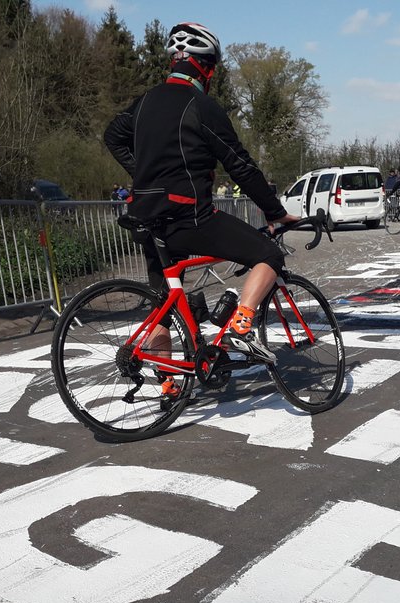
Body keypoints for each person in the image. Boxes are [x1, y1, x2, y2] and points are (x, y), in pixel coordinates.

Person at [104, 21, 298, 385]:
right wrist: (274, 211)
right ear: (206, 68)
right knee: (269, 255)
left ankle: (168, 385)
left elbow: (112, 136)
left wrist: (142, 172)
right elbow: (239, 164)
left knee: (164, 304)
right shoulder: (201, 106)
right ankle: (242, 326)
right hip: (187, 215)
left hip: (145, 213)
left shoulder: (144, 101)